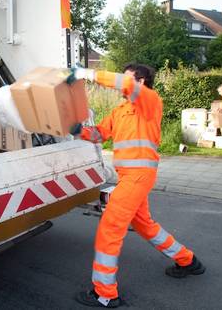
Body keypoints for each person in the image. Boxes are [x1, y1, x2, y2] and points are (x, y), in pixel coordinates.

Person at [69, 64, 205, 308]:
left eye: (127, 77)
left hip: (138, 176)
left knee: (109, 228)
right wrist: (79, 130)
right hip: (129, 177)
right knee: (144, 225)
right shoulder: (120, 110)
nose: (122, 82)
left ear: (142, 81)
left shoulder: (150, 101)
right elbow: (100, 133)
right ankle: (188, 260)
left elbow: (126, 85)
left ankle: (105, 294)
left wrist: (87, 74)